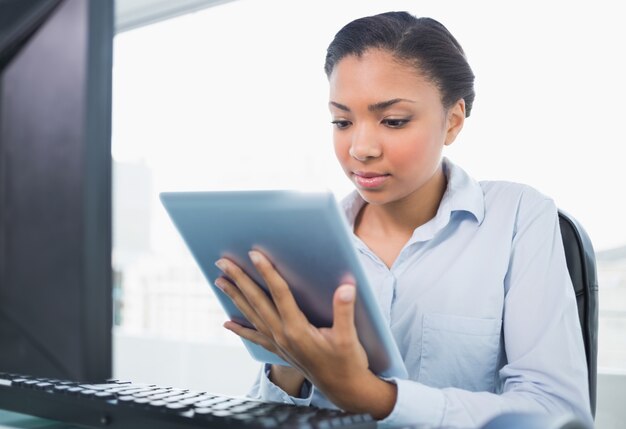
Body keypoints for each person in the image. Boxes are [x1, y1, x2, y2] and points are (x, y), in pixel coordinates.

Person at [212, 11, 593, 428]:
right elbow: (264, 409)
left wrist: (370, 395)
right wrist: (290, 366)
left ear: (453, 120)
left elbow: (558, 413)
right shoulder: (309, 239)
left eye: (393, 121)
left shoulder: (518, 218)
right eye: (342, 121)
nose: (361, 148)